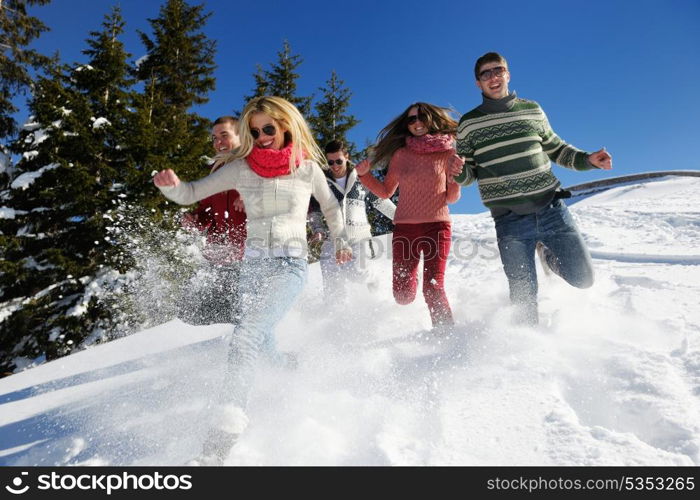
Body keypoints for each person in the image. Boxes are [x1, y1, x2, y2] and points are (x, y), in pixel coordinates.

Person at [153, 96, 351, 464]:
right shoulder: (242, 169)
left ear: (286, 126)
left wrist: (340, 240)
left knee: (245, 337)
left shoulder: (305, 169)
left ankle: (219, 441)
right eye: (254, 130)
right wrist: (171, 186)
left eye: (268, 129)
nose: (261, 136)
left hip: (289, 267)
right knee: (261, 341)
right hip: (252, 268)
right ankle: (290, 369)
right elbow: (192, 193)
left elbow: (330, 206)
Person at [454, 52, 613, 326]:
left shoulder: (531, 109)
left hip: (551, 209)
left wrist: (588, 160)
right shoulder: (468, 124)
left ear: (508, 74)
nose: (493, 77)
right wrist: (457, 170)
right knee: (524, 301)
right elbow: (468, 175)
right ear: (478, 83)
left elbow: (557, 149)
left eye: (498, 70)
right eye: (486, 74)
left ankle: (548, 256)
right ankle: (530, 359)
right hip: (509, 221)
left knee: (583, 279)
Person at [355, 102, 464, 331]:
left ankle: (448, 336)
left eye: (421, 117)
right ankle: (409, 285)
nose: (417, 123)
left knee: (433, 287)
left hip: (437, 227)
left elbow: (452, 198)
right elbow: (386, 191)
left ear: (432, 119)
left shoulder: (449, 153)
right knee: (402, 295)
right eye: (411, 119)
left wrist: (455, 176)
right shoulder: (401, 155)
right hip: (405, 230)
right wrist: (365, 176)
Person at [179, 116, 247, 325]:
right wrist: (195, 220)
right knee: (196, 315)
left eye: (224, 135)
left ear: (240, 136)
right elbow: (206, 210)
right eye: (214, 137)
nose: (218, 142)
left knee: (239, 316)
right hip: (218, 254)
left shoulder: (254, 166)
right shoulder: (217, 170)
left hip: (249, 255)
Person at [308, 139, 396, 300]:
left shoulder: (360, 178)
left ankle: (376, 284)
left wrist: (402, 217)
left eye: (339, 161)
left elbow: (380, 201)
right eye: (331, 162)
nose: (335, 166)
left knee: (358, 273)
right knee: (329, 270)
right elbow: (313, 211)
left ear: (346, 156)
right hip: (333, 238)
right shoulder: (321, 182)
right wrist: (318, 230)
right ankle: (334, 310)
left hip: (359, 237)